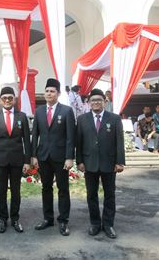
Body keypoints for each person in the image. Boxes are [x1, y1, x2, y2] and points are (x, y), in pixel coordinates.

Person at [76, 88, 125, 239]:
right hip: (89, 163)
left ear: (104, 101)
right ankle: (95, 223)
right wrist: (79, 161)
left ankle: (108, 224)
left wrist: (120, 162)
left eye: (99, 100)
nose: (96, 103)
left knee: (109, 195)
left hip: (109, 163)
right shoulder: (82, 119)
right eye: (93, 100)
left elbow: (119, 141)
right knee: (92, 195)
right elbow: (79, 142)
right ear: (89, 103)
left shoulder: (115, 118)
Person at [31, 78, 76, 236]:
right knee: (46, 188)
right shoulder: (39, 111)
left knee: (63, 189)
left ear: (58, 93)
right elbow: (34, 134)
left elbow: (71, 136)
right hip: (43, 156)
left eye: (52, 91)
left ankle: (63, 221)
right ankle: (48, 218)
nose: (49, 94)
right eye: (47, 91)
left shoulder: (66, 111)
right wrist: (34, 155)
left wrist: (69, 157)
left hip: (61, 157)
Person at [0, 87, 31, 234]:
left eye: (10, 98)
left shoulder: (22, 116)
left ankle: (15, 219)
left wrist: (27, 161)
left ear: (14, 99)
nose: (7, 100)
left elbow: (27, 141)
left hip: (17, 161)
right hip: (0, 161)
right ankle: (2, 219)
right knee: (1, 192)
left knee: (16, 192)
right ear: (0, 100)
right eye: (4, 98)